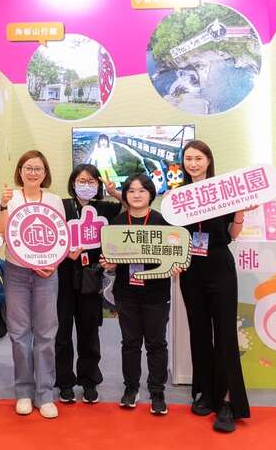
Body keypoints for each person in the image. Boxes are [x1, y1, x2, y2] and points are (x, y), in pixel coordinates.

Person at [177, 139, 251, 433]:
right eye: (188, 158)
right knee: (198, 333)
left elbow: (232, 234)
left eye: (198, 158)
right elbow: (175, 237)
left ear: (208, 160)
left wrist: (240, 212)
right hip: (191, 268)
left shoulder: (223, 191)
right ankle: (206, 393)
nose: (193, 163)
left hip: (219, 264)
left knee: (224, 334)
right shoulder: (178, 196)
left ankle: (229, 402)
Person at [100, 174, 179, 415]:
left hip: (157, 291)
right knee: (130, 343)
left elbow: (175, 253)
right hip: (126, 292)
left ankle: (157, 391)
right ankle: (131, 388)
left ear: (151, 194)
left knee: (156, 343)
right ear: (125, 195)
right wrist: (109, 265)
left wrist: (176, 264)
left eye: (142, 190)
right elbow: (110, 257)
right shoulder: (116, 223)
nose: (136, 195)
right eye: (131, 190)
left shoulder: (162, 222)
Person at [0, 150, 63, 419]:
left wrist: (53, 265)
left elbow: (61, 237)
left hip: (47, 272)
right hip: (16, 272)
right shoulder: (10, 198)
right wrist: (3, 206)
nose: (33, 172)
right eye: (28, 168)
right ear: (20, 171)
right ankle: (24, 391)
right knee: (19, 333)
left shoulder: (54, 200)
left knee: (46, 333)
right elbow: (1, 233)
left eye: (38, 168)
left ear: (45, 173)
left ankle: (45, 393)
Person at [56, 164, 122, 404]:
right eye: (81, 181)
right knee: (62, 333)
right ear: (73, 183)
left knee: (89, 331)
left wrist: (114, 193)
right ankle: (65, 382)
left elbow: (132, 208)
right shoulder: (61, 206)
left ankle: (89, 381)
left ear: (98, 185)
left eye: (92, 181)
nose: (86, 185)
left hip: (91, 277)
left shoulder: (105, 208)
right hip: (63, 276)